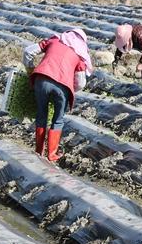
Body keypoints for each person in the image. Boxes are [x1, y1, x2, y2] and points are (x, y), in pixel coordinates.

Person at [22, 29, 92, 162]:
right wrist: (70, 88)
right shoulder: (80, 55)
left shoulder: (54, 40)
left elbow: (28, 51)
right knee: (58, 120)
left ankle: (39, 151)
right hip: (63, 87)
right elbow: (81, 83)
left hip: (41, 80)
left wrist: (30, 70)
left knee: (41, 114)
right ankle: (52, 154)